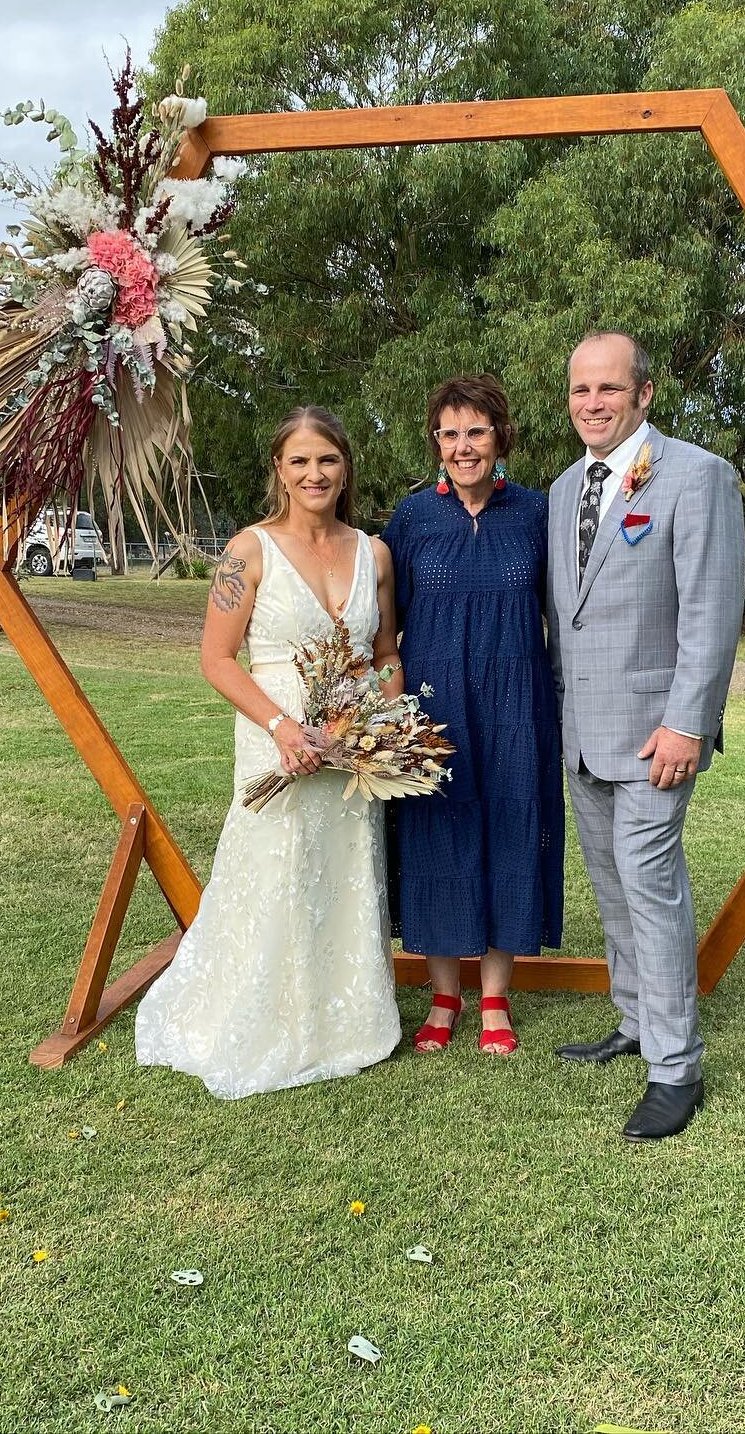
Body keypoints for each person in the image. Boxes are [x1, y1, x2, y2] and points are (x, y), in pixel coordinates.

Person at [135, 406, 403, 1098]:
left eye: (328, 460)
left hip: (347, 744)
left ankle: (346, 1021)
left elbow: (385, 655)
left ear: (346, 468)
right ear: (278, 471)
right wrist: (285, 728)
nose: (315, 474)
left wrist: (364, 723)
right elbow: (218, 659)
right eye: (300, 461)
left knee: (342, 869)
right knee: (276, 868)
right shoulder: (248, 551)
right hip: (273, 736)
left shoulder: (373, 553)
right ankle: (261, 1015)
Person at [548, 332, 745, 1141]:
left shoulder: (697, 477)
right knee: (614, 887)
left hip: (656, 736)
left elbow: (711, 613)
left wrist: (686, 722)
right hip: (583, 735)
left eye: (609, 389)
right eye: (580, 390)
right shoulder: (564, 488)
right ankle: (633, 1022)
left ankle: (676, 1068)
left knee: (651, 885)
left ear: (645, 393)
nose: (593, 404)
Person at [383, 375, 564, 1055]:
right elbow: (380, 620)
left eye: (477, 432)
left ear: (501, 438)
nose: (463, 446)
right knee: (437, 840)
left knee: (512, 833)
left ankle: (494, 997)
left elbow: (564, 612)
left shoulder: (536, 514)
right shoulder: (410, 520)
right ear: (436, 443)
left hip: (518, 704)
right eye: (450, 433)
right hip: (435, 710)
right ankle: (443, 995)